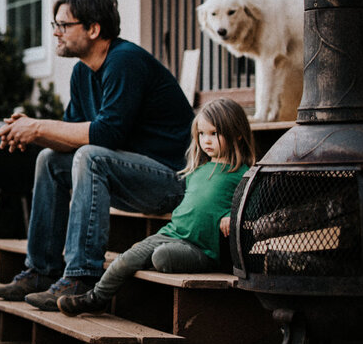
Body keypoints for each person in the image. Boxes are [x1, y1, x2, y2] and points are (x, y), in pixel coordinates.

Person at [0, 0, 194, 311]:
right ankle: (41, 270)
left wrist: (39, 126)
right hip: (130, 177)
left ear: (93, 29)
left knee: (92, 156)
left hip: (172, 180)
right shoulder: (83, 72)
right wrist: (31, 134)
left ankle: (81, 276)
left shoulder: (125, 61)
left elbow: (105, 135)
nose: (55, 32)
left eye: (63, 25)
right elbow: (72, 137)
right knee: (49, 159)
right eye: (54, 24)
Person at [58, 98, 255, 316]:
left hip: (202, 250)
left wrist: (232, 215)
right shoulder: (197, 171)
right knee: (126, 258)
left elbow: (251, 209)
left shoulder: (242, 174)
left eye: (214, 133)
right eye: (201, 134)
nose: (206, 140)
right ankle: (95, 298)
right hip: (171, 234)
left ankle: (146, 269)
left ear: (237, 133)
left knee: (161, 257)